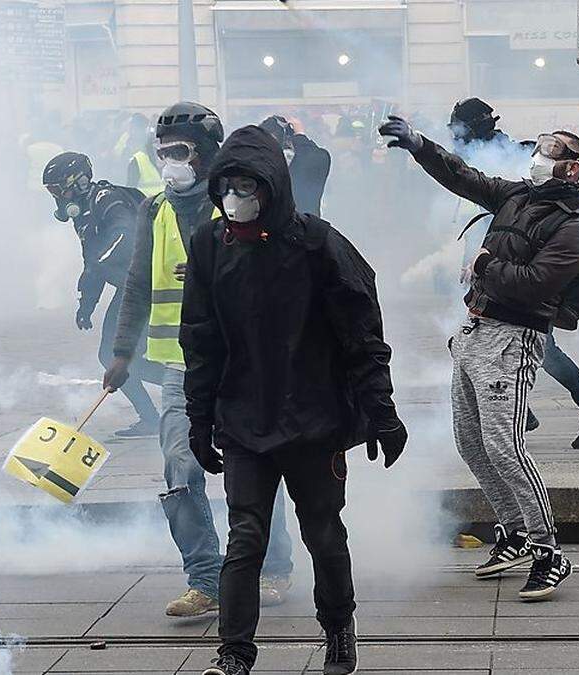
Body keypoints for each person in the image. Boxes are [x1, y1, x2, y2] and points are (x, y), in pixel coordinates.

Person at [186, 126, 404, 675]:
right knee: (245, 537)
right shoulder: (210, 245)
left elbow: (362, 333)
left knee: (324, 534)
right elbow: (201, 338)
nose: (236, 197)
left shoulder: (317, 243)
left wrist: (381, 412)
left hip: (313, 421)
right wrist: (199, 417)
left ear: (273, 188)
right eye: (228, 186)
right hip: (242, 419)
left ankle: (338, 629)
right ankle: (234, 654)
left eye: (247, 186)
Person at [380, 114, 579, 600]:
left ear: (572, 170)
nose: (537, 159)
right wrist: (420, 146)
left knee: (505, 447)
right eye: (538, 149)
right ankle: (513, 531)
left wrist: (483, 264)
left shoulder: (574, 229)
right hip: (474, 329)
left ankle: (548, 549)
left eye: (550, 153)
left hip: (513, 339)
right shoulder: (516, 196)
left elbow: (537, 284)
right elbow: (463, 177)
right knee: (471, 442)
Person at [103, 102, 295, 619]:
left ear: (207, 154)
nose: (169, 163)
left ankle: (272, 568)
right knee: (180, 470)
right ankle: (205, 578)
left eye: (179, 152)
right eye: (161, 153)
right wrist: (122, 352)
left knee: (252, 470)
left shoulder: (237, 205)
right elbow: (138, 285)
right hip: (178, 371)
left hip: (242, 368)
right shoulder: (153, 211)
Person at [448, 98, 579, 449]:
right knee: (475, 345)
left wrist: (485, 264)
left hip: (524, 279)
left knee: (536, 351)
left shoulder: (515, 154)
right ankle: (550, 410)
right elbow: (497, 222)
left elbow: (521, 221)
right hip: (499, 271)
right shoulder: (495, 154)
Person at [42, 151, 162, 437]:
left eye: (59, 188)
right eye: (53, 191)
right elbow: (92, 265)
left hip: (145, 287)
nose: (58, 196)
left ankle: (183, 393)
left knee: (114, 356)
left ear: (79, 181)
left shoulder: (106, 199)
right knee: (112, 356)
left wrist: (100, 260)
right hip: (130, 287)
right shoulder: (83, 213)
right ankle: (159, 413)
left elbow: (125, 235)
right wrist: (87, 304)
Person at [258, 115, 331, 217]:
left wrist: (300, 138)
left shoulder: (306, 162)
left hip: (301, 227)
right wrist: (300, 136)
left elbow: (316, 159)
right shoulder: (258, 167)